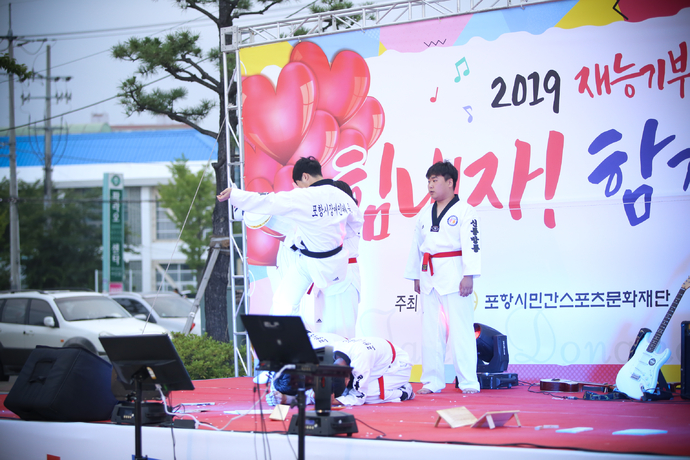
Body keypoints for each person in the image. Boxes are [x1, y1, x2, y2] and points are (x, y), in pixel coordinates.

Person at [217, 156, 364, 316]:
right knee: (284, 301)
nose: (299, 188)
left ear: (305, 176)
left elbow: (269, 201)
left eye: (299, 184)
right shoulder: (342, 197)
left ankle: (286, 328)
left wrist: (235, 195)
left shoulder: (304, 197)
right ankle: (287, 328)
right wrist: (336, 235)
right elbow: (357, 222)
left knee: (295, 306)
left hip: (326, 262)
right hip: (316, 260)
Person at [404, 160, 482, 394]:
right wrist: (415, 275)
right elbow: (416, 245)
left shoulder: (465, 211)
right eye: (429, 181)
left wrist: (469, 274)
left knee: (461, 331)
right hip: (429, 276)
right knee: (431, 332)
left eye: (435, 180)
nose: (430, 185)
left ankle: (468, 382)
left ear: (450, 183)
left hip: (455, 275)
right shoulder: (424, 213)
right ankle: (432, 381)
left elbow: (472, 244)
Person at [312, 180, 361, 337]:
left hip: (344, 277)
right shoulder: (330, 220)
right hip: (328, 277)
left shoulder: (350, 217)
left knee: (343, 333)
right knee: (325, 334)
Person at [332, 337, 415, 406]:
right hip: (377, 364)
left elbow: (359, 396)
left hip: (398, 367)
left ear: (347, 380)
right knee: (349, 391)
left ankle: (404, 392)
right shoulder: (332, 350)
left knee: (368, 395)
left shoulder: (360, 360)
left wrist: (336, 401)